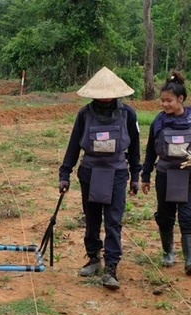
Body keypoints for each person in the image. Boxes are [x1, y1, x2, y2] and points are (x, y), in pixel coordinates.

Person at [58, 66, 141, 290]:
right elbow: (74, 144)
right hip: (90, 173)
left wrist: (135, 175)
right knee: (92, 218)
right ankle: (94, 258)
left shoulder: (128, 114)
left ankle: (111, 267)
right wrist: (65, 173)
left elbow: (134, 147)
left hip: (116, 173)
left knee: (113, 221)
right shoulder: (84, 114)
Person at [141, 72, 191, 275]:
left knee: (187, 216)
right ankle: (167, 252)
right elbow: (150, 151)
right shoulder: (158, 122)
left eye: (168, 101)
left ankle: (189, 259)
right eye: (162, 101)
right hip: (165, 174)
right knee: (165, 215)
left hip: (187, 175)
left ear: (180, 99)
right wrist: (145, 175)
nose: (165, 105)